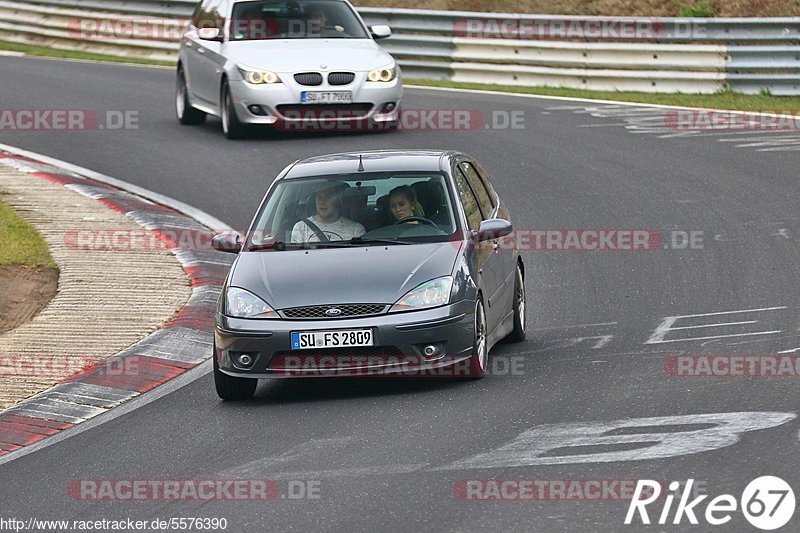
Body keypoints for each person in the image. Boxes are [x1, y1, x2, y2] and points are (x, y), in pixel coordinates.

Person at [291, 183, 365, 243]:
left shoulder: (356, 231)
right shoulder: (300, 228)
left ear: (339, 200)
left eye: (328, 197)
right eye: (319, 197)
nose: (322, 201)